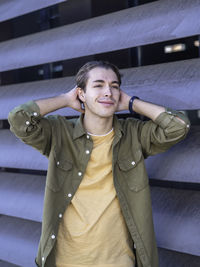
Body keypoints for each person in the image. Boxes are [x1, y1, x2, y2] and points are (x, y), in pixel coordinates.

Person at [8, 61, 190, 267]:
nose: (108, 92)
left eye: (114, 86)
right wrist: (65, 99)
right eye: (98, 85)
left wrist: (132, 103)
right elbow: (18, 119)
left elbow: (179, 126)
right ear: (81, 94)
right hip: (66, 261)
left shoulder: (134, 134)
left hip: (120, 262)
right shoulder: (60, 133)